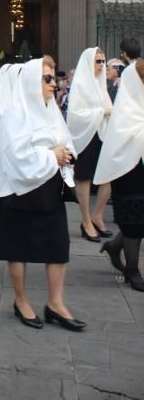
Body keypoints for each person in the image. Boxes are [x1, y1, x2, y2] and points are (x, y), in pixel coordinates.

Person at [0, 56, 85, 331]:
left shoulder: (51, 109)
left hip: (49, 188)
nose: (54, 84)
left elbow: (65, 139)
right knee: (18, 249)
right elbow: (15, 155)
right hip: (20, 190)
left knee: (58, 246)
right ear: (31, 82)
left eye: (54, 78)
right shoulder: (16, 113)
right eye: (47, 79)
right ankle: (21, 300)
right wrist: (51, 155)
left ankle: (56, 303)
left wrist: (66, 153)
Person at [94, 60, 144, 289]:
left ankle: (114, 246)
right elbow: (124, 135)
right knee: (134, 223)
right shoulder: (126, 105)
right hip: (129, 170)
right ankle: (132, 270)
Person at [67, 47, 113, 242]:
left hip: (103, 134)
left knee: (109, 175)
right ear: (88, 63)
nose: (102, 65)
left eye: (103, 61)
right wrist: (101, 112)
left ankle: (97, 215)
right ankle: (86, 221)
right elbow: (75, 114)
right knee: (84, 178)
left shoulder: (101, 83)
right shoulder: (81, 84)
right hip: (86, 136)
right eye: (98, 61)